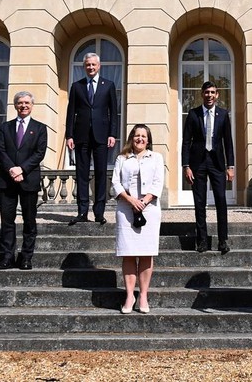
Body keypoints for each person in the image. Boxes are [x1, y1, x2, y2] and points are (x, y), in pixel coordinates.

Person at [111, 124, 164, 314]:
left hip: (149, 210)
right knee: (128, 252)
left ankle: (143, 295)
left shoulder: (156, 157)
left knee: (146, 253)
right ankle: (129, 295)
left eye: (144, 136)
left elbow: (158, 182)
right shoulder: (121, 158)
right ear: (131, 138)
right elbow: (115, 183)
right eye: (136, 135)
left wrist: (145, 201)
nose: (140, 139)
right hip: (126, 209)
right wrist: (131, 200)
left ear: (148, 140)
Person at [0, 91, 47, 270]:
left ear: (32, 106)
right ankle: (8, 256)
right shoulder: (5, 127)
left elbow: (39, 153)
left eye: (27, 103)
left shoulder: (40, 128)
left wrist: (22, 169)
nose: (23, 105)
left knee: (29, 221)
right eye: (20, 103)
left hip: (28, 179)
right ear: (15, 105)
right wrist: (12, 169)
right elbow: (0, 151)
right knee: (7, 220)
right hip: (6, 180)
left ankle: (26, 257)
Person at [181, 81, 236, 254]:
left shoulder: (223, 114)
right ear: (202, 94)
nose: (210, 95)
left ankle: (222, 241)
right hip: (198, 163)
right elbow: (185, 142)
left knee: (221, 200)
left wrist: (231, 166)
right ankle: (202, 241)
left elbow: (228, 142)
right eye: (206, 92)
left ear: (217, 94)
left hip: (217, 162)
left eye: (213, 92)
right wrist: (186, 165)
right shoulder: (193, 114)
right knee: (199, 203)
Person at [65, 52, 119, 225]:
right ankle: (82, 212)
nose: (90, 67)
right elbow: (70, 112)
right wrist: (69, 135)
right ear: (84, 66)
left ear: (99, 66)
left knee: (101, 173)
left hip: (102, 135)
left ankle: (99, 213)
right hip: (81, 136)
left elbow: (113, 112)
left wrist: (113, 134)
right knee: (81, 174)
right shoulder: (77, 86)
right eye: (88, 65)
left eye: (93, 65)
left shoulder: (108, 85)